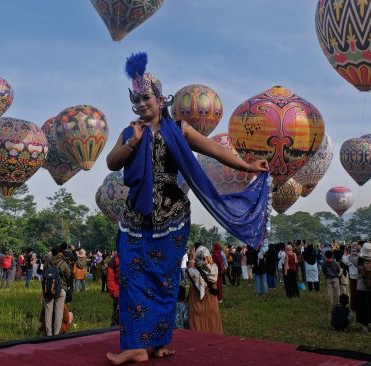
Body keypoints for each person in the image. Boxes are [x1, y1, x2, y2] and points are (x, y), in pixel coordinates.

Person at [104, 52, 269, 365]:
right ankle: (136, 345)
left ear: (160, 99)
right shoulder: (130, 132)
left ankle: (157, 343)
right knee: (131, 277)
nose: (141, 105)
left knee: (165, 279)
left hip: (172, 217)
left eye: (146, 99)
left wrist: (247, 165)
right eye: (136, 100)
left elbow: (216, 150)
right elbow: (112, 162)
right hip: (136, 219)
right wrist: (132, 143)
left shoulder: (179, 129)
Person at [186, 245, 223, 334]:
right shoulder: (214, 268)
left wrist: (191, 259)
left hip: (197, 303)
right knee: (213, 327)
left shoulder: (193, 271)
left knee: (198, 332)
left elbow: (188, 273)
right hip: (212, 303)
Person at [43, 246, 73, 336]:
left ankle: (48, 333)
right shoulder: (63, 263)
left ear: (51, 253)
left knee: (48, 312)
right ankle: (56, 333)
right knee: (59, 312)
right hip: (60, 290)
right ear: (59, 253)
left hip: (48, 290)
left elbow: (43, 276)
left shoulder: (47, 263)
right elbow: (69, 276)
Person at [107, 250, 120, 326]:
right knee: (117, 319)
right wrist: (116, 294)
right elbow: (110, 279)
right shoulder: (114, 259)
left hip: (136, 294)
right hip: (119, 294)